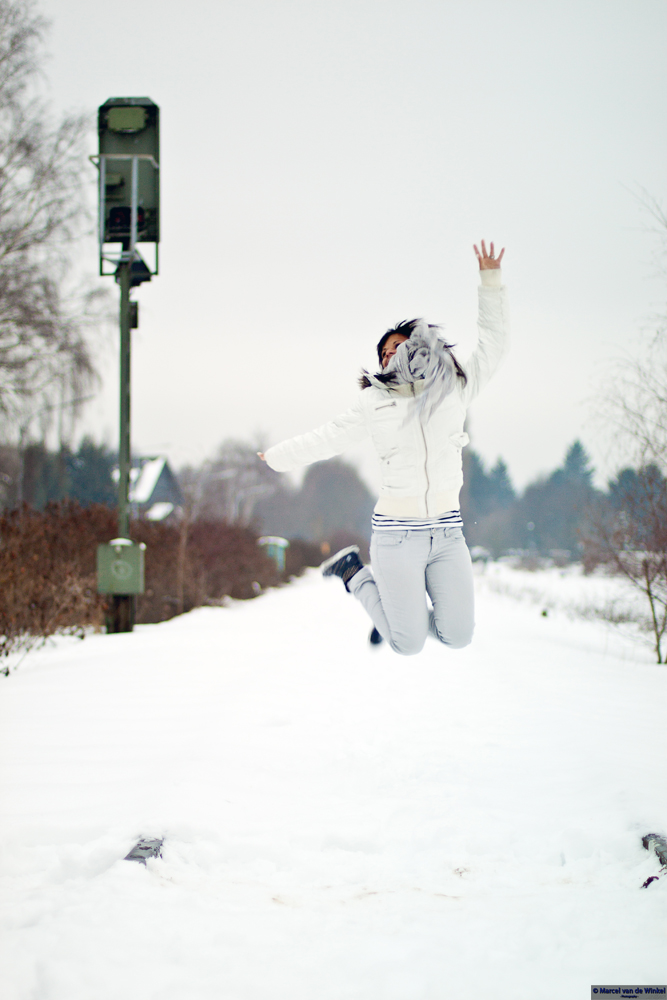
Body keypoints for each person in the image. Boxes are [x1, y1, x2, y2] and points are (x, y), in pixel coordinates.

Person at [259, 240, 509, 655]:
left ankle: (385, 605)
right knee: (406, 643)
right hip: (396, 539)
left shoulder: (455, 387)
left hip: (447, 532)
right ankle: (354, 573)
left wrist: (490, 282)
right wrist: (280, 457)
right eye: (383, 353)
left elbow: (495, 346)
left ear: (419, 343)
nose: (390, 354)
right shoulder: (375, 402)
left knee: (458, 635)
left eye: (397, 345)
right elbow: (327, 437)